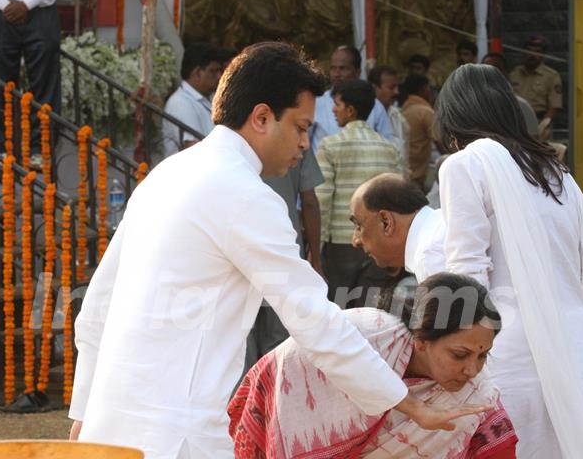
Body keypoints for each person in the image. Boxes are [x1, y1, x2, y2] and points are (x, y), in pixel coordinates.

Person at [68, 42, 486, 458]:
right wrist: (408, 402)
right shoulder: (244, 193)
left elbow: (96, 308)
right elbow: (314, 319)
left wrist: (85, 415)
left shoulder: (166, 174)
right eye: (301, 127)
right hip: (176, 435)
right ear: (262, 117)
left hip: (110, 427)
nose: (305, 144)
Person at [435, 63, 583, 458]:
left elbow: (466, 273)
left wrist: (456, 353)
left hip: (511, 348)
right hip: (575, 343)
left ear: (454, 118)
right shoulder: (557, 173)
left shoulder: (465, 165)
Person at [351, 171, 583, 408]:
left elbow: (466, 339)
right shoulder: (440, 230)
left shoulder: (431, 250)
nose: (355, 241)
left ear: (386, 221)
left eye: (358, 226)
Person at [229, 273, 519, 458]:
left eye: (483, 356)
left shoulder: (477, 398)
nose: (472, 370)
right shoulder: (363, 336)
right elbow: (280, 371)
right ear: (421, 340)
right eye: (460, 354)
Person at [316, 79, 404, 308]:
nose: (333, 110)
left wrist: (316, 247)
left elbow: (322, 200)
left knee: (339, 311)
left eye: (337, 104)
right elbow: (400, 202)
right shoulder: (389, 149)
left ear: (350, 110)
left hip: (341, 246)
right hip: (380, 245)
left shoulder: (330, 145)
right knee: (372, 312)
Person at [245, 149, 325, 369]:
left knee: (243, 343)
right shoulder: (297, 141)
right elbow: (309, 202)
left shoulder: (237, 141)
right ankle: (273, 399)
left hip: (242, 256)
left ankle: (245, 401)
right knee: (279, 344)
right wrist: (316, 260)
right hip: (284, 256)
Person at [0, 0, 62, 170]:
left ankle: (41, 149)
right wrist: (6, 5)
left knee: (45, 81)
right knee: (0, 82)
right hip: (1, 11)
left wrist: (27, 4)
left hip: (41, 12)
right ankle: (3, 146)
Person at [309, 46, 396, 152]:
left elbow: (388, 146)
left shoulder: (375, 106)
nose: (336, 74)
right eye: (333, 68)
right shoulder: (315, 103)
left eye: (343, 68)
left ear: (357, 72)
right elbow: (303, 146)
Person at [161, 43, 224, 157]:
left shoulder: (209, 97)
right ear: (198, 73)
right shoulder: (180, 103)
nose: (219, 76)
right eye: (213, 71)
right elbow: (193, 149)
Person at [481, 52, 539, 138]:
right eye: (485, 70)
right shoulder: (472, 107)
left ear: (506, 74)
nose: (490, 74)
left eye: (496, 69)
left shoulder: (522, 107)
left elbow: (533, 142)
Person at [509, 36, 562, 122]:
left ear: (543, 55)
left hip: (539, 121)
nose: (532, 55)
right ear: (523, 53)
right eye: (529, 51)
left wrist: (544, 125)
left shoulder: (551, 76)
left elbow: (554, 107)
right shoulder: (514, 74)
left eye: (537, 52)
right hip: (516, 122)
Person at [401, 74, 438, 191]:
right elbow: (440, 140)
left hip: (405, 172)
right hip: (415, 177)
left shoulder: (404, 109)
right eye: (429, 88)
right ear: (423, 89)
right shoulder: (425, 112)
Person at [368, 65, 409, 166]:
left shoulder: (397, 116)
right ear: (374, 88)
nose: (396, 92)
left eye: (397, 87)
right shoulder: (366, 116)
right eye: (391, 88)